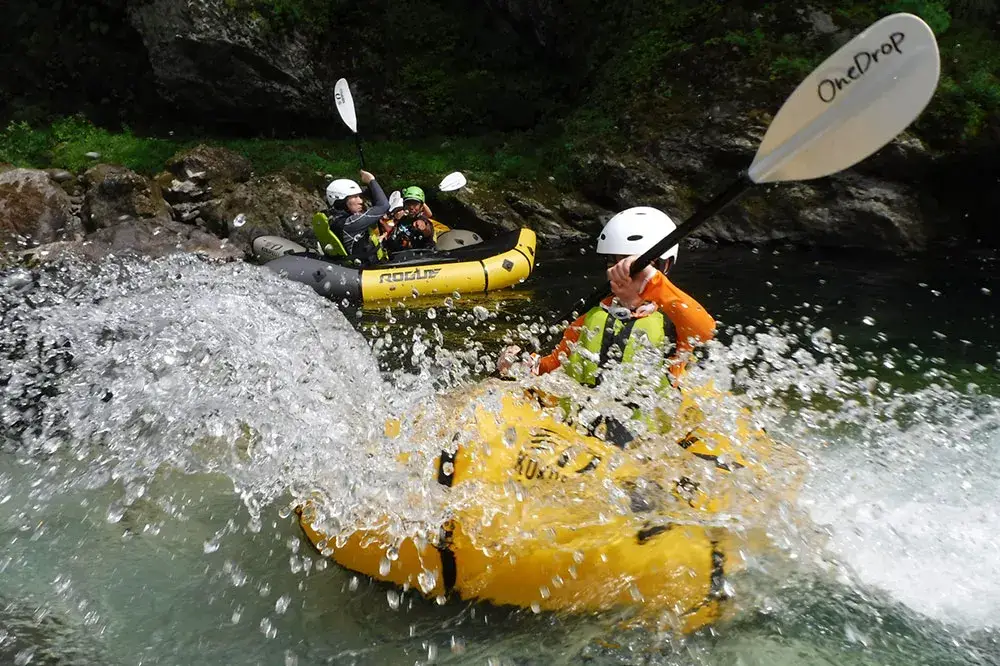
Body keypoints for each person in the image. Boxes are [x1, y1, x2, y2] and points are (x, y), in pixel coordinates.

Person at [496, 206, 716, 444]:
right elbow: (553, 365)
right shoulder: (593, 315)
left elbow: (705, 330)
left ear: (663, 267)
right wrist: (522, 365)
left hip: (644, 447)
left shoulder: (673, 322)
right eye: (615, 262)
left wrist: (654, 285)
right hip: (576, 436)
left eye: (633, 265)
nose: (619, 272)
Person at [318, 170, 390, 264]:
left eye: (359, 196)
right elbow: (383, 206)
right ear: (341, 201)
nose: (360, 201)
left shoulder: (335, 219)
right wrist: (371, 180)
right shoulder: (350, 223)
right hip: (364, 271)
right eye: (355, 197)